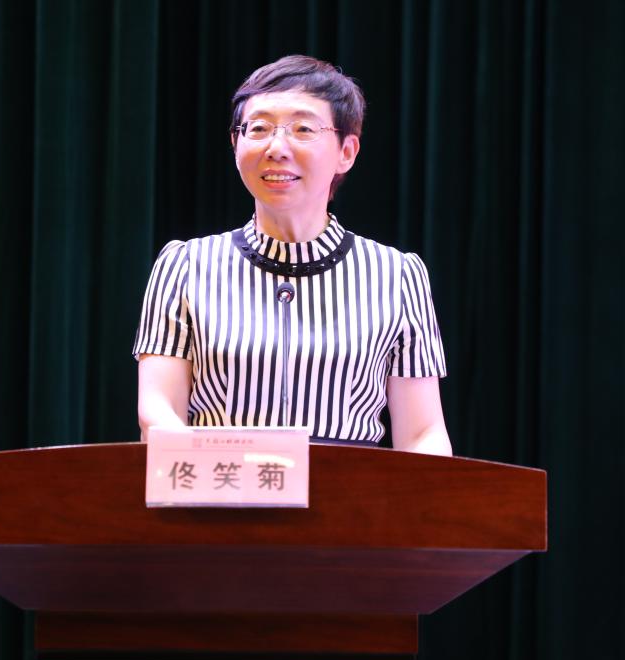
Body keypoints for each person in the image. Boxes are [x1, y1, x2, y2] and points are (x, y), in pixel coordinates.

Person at [132, 55, 452, 455]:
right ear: (235, 144)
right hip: (220, 486)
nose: (277, 147)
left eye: (303, 129)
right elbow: (158, 412)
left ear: (347, 151)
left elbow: (422, 433)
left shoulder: (397, 275)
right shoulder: (184, 266)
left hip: (350, 492)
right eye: (259, 128)